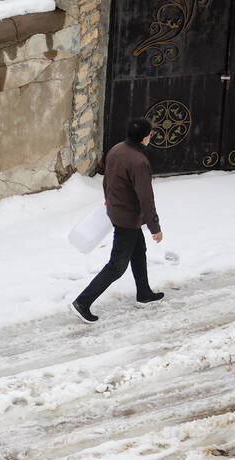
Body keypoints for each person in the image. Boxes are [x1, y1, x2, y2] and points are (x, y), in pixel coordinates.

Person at [71, 118, 164, 323]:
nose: (151, 138)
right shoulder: (139, 162)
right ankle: (83, 302)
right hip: (127, 219)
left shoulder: (116, 150)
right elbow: (146, 197)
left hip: (117, 212)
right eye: (150, 135)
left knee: (139, 252)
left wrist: (110, 202)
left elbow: (107, 181)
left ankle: (144, 293)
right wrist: (154, 227)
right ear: (144, 138)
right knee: (116, 266)